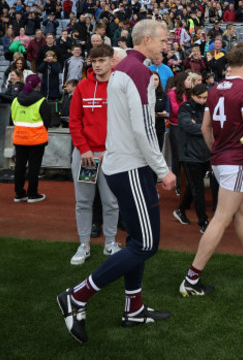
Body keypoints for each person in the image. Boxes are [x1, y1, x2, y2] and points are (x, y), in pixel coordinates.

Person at [57, 20, 176, 344]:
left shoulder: (128, 70)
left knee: (137, 240)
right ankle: (77, 295)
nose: (167, 44)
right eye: (164, 39)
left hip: (121, 164)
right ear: (147, 40)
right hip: (132, 167)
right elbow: (144, 128)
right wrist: (163, 169)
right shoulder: (136, 71)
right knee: (147, 244)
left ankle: (133, 309)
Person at [179, 43, 243, 297]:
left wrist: (216, 151)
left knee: (241, 212)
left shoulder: (212, 90)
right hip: (235, 161)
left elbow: (204, 129)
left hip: (221, 159)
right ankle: (191, 279)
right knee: (221, 219)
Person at [68, 44, 121, 266]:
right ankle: (84, 244)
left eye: (102, 60)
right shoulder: (82, 86)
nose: (97, 65)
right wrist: (84, 149)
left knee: (111, 201)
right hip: (87, 155)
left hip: (110, 155)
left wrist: (111, 150)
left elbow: (123, 123)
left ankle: (110, 242)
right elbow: (75, 121)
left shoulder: (119, 86)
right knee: (84, 201)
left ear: (111, 61)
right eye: (94, 61)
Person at [173, 84, 213, 232]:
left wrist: (202, 127)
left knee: (194, 185)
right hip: (189, 154)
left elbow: (208, 126)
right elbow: (187, 126)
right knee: (198, 188)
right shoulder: (185, 108)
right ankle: (203, 221)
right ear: (192, 96)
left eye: (205, 98)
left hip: (204, 153)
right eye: (199, 97)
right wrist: (205, 128)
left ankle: (181, 210)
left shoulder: (208, 107)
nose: (202, 101)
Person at [11, 74, 50, 203]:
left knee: (19, 166)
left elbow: (13, 118)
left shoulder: (16, 100)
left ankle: (19, 194)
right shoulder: (41, 100)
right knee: (34, 167)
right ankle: (32, 194)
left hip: (19, 137)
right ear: (38, 84)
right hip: (36, 139)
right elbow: (47, 120)